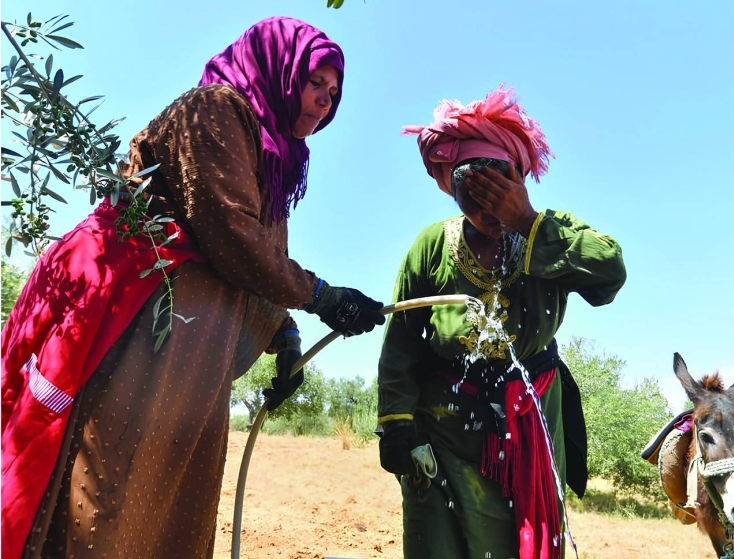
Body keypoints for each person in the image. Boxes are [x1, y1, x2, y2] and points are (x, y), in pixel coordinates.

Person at [1, 17, 385, 558]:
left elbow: (263, 255)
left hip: (190, 356)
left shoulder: (277, 157)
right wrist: (324, 297)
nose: (324, 100)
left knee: (171, 505)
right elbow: (231, 233)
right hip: (134, 323)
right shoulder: (215, 110)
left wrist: (286, 335)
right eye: (314, 82)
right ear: (278, 69)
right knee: (105, 491)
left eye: (333, 92)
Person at [377, 85, 627, 558]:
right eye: (472, 196)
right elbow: (400, 348)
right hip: (442, 434)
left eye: (499, 193)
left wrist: (528, 221)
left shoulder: (550, 228)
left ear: (519, 179)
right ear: (451, 188)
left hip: (527, 432)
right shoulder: (431, 246)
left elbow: (611, 273)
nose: (487, 211)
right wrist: (397, 427)